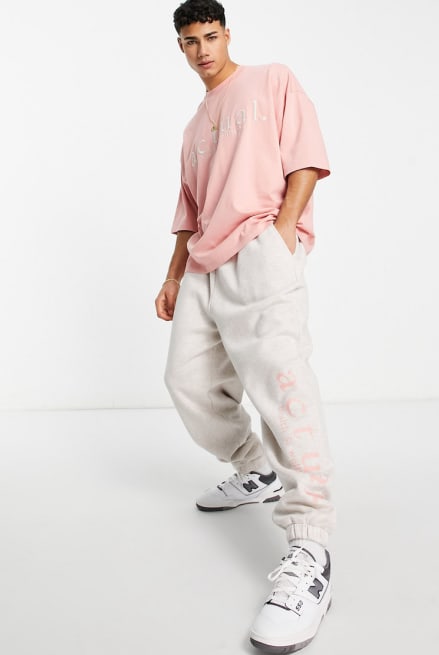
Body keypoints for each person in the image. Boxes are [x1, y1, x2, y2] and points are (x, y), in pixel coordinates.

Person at [155, 1, 336, 651]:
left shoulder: (270, 80)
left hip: (260, 247)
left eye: (210, 36)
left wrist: (281, 235)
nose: (202, 49)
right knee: (187, 381)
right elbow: (188, 211)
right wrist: (173, 275)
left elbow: (305, 157)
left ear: (226, 35)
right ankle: (253, 469)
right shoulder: (192, 126)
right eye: (189, 41)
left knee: (282, 386)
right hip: (204, 264)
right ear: (180, 48)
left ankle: (311, 546)